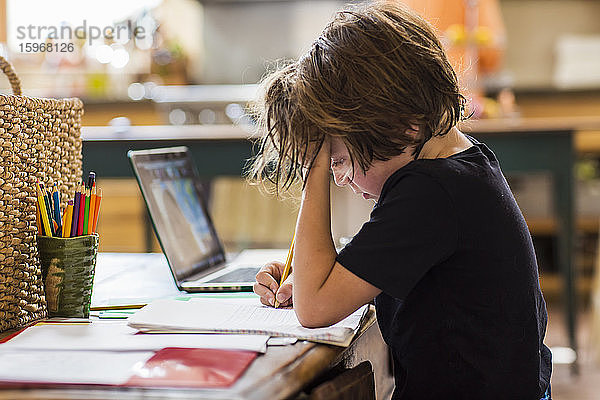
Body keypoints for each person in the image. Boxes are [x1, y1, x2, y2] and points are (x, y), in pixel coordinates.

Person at [248, 1, 552, 398]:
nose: (339, 176)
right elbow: (340, 286)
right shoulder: (463, 166)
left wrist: (313, 170)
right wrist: (312, 275)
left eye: (338, 159)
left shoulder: (430, 192)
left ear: (402, 128)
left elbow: (315, 310)